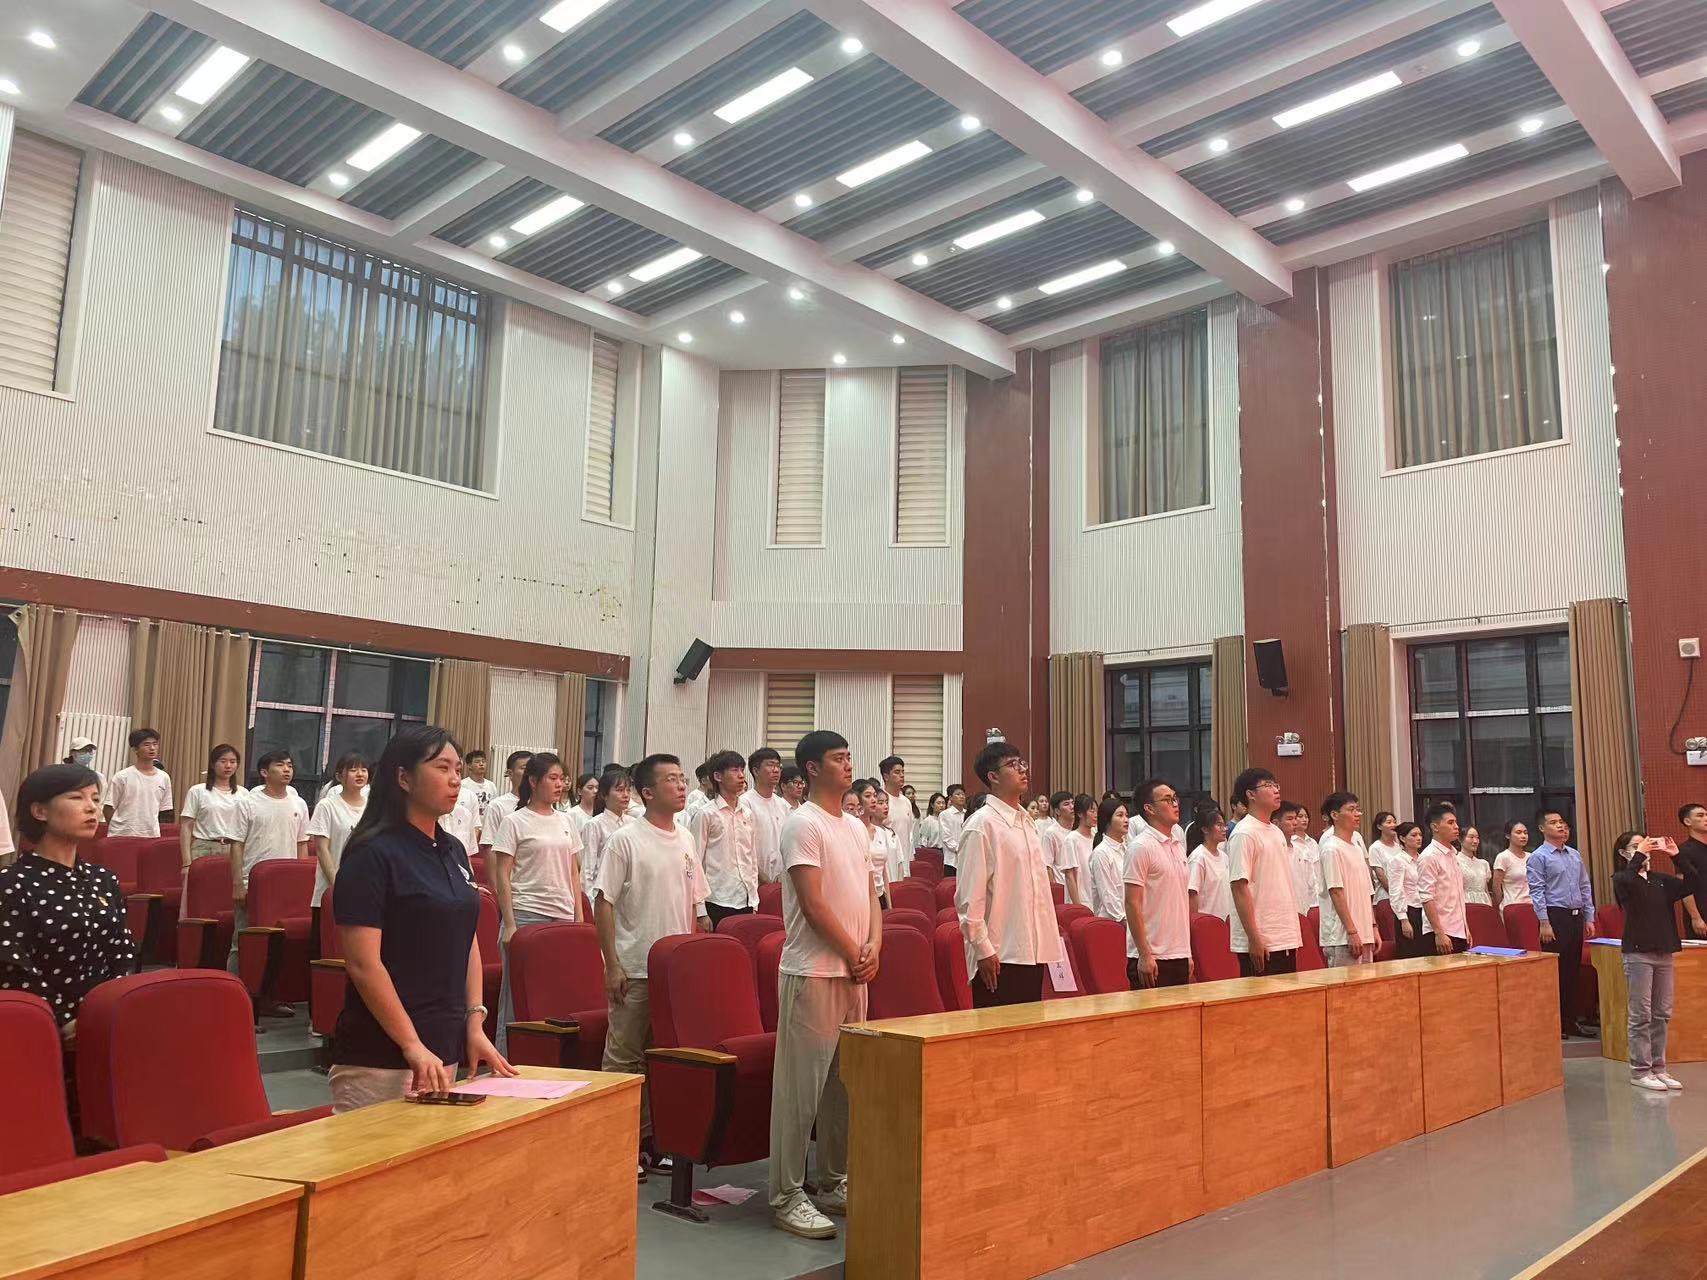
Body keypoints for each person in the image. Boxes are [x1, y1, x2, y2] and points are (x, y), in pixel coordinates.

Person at [329, 725, 513, 1112]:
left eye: (458, 769)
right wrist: (411, 1043)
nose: (455, 779)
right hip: (382, 1054)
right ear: (404, 778)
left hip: (442, 1044)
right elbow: (363, 964)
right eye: (442, 768)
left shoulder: (453, 850)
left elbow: (465, 939)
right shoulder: (371, 853)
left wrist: (474, 1022)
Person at [769, 730, 880, 1241]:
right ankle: (787, 1194)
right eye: (838, 758)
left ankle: (833, 1181)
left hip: (854, 972)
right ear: (812, 768)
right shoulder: (803, 823)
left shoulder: (855, 827)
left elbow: (873, 896)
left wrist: (873, 946)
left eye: (849, 756)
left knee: (844, 1088)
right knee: (800, 1092)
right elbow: (813, 905)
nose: (848, 765)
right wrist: (854, 952)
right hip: (813, 971)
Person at [594, 753, 711, 1177]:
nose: (681, 786)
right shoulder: (625, 839)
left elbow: (695, 902)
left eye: (682, 779)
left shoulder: (685, 837)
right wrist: (612, 964)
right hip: (635, 965)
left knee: (660, 1058)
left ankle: (647, 1142)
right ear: (647, 792)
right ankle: (615, 1145)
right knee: (623, 1059)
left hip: (672, 973)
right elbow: (603, 902)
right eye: (671, 780)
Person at [0, 764, 134, 1038]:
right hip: (39, 1027)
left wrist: (109, 1009)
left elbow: (122, 950)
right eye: (76, 797)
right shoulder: (12, 883)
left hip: (105, 1021)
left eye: (95, 799)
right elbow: (12, 964)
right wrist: (64, 1020)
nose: (92, 808)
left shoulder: (103, 879)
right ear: (40, 811)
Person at [490, 752, 583, 1054]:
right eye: (552, 778)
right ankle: (506, 1056)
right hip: (527, 914)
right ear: (533, 781)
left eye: (562, 779)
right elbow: (502, 875)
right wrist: (509, 924)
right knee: (516, 995)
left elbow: (573, 872)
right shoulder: (515, 821)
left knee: (556, 993)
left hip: (562, 917)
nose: (560, 785)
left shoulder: (566, 820)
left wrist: (579, 919)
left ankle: (548, 1058)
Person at [955, 742, 1061, 1007]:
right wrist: (983, 949)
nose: (1022, 769)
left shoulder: (1028, 823)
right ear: (993, 776)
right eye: (1012, 765)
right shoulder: (982, 825)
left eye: (1022, 763)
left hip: (1032, 949)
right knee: (998, 1031)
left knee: (1031, 1031)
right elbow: (969, 897)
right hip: (999, 954)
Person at [230, 750, 310, 1007]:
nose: (287, 770)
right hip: (252, 882)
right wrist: (237, 883)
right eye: (280, 765)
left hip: (286, 885)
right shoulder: (248, 803)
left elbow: (302, 844)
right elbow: (236, 845)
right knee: (244, 941)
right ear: (264, 772)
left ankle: (269, 999)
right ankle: (235, 999)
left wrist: (302, 880)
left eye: (290, 765)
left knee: (281, 943)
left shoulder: (299, 803)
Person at [1612, 832, 1690, 1092]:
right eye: (1635, 846)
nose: (1644, 850)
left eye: (1645, 845)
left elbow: (1693, 882)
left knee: (1662, 1013)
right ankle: (1640, 1070)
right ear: (1624, 853)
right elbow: (1629, 881)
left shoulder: (1659, 880)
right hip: (1638, 953)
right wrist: (1638, 855)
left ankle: (1659, 1068)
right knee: (1641, 1014)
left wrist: (1677, 857)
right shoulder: (1622, 879)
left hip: (1664, 951)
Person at [1528, 808, 1597, 1038]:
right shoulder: (1539, 856)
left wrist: (1589, 917)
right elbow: (1537, 891)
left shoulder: (1574, 854)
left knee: (1572, 971)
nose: (1560, 826)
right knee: (1556, 972)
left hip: (1576, 916)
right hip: (1554, 916)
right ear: (1542, 828)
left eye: (1562, 822)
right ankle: (1554, 1022)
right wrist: (1544, 922)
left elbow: (1584, 886)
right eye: (1553, 822)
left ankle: (1570, 1020)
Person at [1227, 768, 1300, 975]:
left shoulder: (1276, 832)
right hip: (1260, 938)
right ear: (1251, 794)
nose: (1276, 790)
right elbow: (1239, 887)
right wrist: (1254, 938)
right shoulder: (1244, 833)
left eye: (1276, 785)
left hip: (1283, 935)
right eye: (1268, 785)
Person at [1123, 779, 1191, 989]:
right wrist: (1144, 954)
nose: (1175, 804)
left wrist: (1187, 952)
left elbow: (1180, 901)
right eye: (1167, 800)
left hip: (1178, 953)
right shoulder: (1141, 847)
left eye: (1175, 798)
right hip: (1151, 956)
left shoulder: (1178, 846)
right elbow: (1131, 902)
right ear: (1149, 808)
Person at [691, 750, 757, 927]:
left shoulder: (747, 813)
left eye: (742, 769)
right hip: (716, 900)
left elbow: (751, 859)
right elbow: (695, 862)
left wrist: (754, 899)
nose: (741, 775)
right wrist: (700, 910)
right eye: (734, 770)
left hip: (745, 899)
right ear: (718, 776)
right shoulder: (706, 814)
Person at [309, 752, 369, 928]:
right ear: (339, 776)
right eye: (353, 770)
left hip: (365, 892)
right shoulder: (327, 806)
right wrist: (338, 885)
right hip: (331, 891)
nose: (360, 774)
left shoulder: (372, 807)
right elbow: (322, 849)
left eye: (363, 770)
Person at [1318, 792, 1377, 967]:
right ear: (1334, 815)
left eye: (1358, 809)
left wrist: (1373, 927)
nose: (1357, 814)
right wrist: (1351, 932)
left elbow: (1366, 892)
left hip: (1364, 932)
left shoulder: (1356, 847)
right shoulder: (1331, 848)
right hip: (1343, 936)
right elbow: (1336, 892)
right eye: (1351, 810)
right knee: (1344, 984)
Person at [180, 744, 246, 878]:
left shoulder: (244, 793)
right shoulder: (197, 791)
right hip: (204, 848)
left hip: (234, 849)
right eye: (223, 761)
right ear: (212, 764)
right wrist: (186, 863)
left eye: (233, 762)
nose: (228, 766)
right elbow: (186, 827)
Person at [1417, 803, 1469, 954]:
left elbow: (1457, 896)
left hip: (1459, 930)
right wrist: (1439, 932)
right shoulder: (1429, 856)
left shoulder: (1453, 854)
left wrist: (1466, 928)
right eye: (1450, 823)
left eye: (1456, 822)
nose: (1456, 827)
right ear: (1435, 827)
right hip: (1440, 932)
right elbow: (1427, 897)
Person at [577, 765, 634, 904]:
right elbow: (588, 869)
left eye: (628, 790)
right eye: (619, 790)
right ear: (604, 795)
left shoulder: (633, 823)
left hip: (628, 895)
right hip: (602, 894)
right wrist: (590, 903)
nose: (626, 795)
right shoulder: (595, 825)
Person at [105, 727, 172, 837]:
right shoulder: (122, 776)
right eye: (146, 745)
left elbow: (165, 809)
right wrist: (116, 828)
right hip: (122, 835)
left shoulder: (164, 777)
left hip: (151, 835)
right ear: (135, 749)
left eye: (155, 744)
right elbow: (108, 807)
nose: (152, 748)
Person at [742, 748, 791, 886]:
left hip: (781, 881)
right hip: (754, 881)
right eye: (770, 765)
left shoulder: (783, 805)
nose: (776, 770)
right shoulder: (745, 803)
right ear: (756, 771)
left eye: (778, 766)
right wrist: (762, 878)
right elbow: (743, 848)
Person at [856, 780, 902, 909]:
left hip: (880, 894)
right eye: (868, 796)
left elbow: (884, 872)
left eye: (875, 796)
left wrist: (889, 904)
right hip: (861, 897)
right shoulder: (853, 830)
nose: (873, 800)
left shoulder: (881, 832)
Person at [478, 751, 534, 856]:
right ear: (510, 773)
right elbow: (489, 847)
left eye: (532, 768)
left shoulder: (541, 804)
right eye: (524, 768)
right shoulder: (497, 806)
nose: (530, 773)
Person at [1087, 796, 1129, 922]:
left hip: (1130, 918)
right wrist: (1123, 919)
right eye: (1120, 815)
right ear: (1107, 820)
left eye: (1127, 815)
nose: (1126, 820)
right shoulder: (1101, 853)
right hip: (1110, 921)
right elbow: (1107, 893)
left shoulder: (1127, 849)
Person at [1186, 808, 1232, 921]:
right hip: (1207, 923)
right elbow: (1192, 894)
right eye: (1219, 825)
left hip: (1225, 920)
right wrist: (1195, 923)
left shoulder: (1224, 857)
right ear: (1205, 829)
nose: (1224, 829)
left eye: (1224, 825)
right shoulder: (1199, 857)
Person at [1670, 803, 1707, 939]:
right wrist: (1696, 917)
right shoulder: (1684, 851)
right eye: (1700, 815)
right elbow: (1684, 886)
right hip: (1702, 914)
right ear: (1687, 821)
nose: (1706, 818)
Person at [1044, 791, 1084, 907]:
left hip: (1082, 887)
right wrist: (1055, 893)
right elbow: (1048, 866)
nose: (1072, 807)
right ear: (1057, 811)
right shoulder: (1051, 833)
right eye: (1066, 804)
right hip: (1063, 887)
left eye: (1073, 803)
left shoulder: (1080, 830)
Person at [1391, 822, 1425, 958]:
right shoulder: (1398, 861)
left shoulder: (1424, 859)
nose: (1419, 838)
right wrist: (1403, 919)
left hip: (1425, 910)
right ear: (1402, 838)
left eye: (1420, 835)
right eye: (1414, 835)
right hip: (1409, 911)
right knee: (1410, 955)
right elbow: (1396, 891)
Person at [1282, 802, 1321, 920]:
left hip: (1318, 899)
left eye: (1306, 817)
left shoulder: (1313, 843)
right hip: (1302, 901)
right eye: (1300, 816)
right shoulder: (1290, 843)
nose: (1304, 820)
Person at [1492, 819, 1533, 911]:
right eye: (1518, 832)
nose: (1523, 836)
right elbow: (1496, 887)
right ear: (1508, 835)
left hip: (1532, 906)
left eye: (1525, 833)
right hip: (1512, 907)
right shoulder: (1503, 857)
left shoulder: (1531, 857)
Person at [880, 756, 914, 864]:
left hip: (905, 860)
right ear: (886, 776)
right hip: (887, 861)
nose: (902, 775)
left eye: (903, 772)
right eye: (897, 772)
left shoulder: (906, 802)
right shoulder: (880, 801)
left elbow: (909, 832)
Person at [1368, 810, 1401, 903]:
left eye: (1394, 822)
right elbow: (1380, 875)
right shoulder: (1375, 848)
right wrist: (1395, 895)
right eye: (1389, 822)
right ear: (1379, 826)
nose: (1393, 825)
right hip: (1385, 898)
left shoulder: (1399, 847)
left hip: (1402, 897)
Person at [62, 736, 107, 803]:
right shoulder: (62, 774)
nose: (87, 754)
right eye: (83, 750)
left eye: (90, 751)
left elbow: (100, 801)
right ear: (72, 753)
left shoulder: (98, 777)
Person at [1458, 825, 1492, 906]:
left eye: (1477, 838)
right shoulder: (1455, 862)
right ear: (1460, 839)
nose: (1475, 841)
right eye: (1471, 837)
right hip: (1465, 904)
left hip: (1484, 904)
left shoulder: (1483, 864)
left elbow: (1485, 890)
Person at [940, 784, 966, 874]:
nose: (961, 796)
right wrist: (961, 849)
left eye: (963, 794)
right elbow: (946, 838)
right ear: (950, 798)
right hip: (951, 861)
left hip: (966, 859)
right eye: (958, 794)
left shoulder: (967, 814)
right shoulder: (945, 815)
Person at [566, 772, 599, 838]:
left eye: (597, 787)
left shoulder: (601, 812)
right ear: (579, 791)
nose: (595, 791)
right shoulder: (572, 814)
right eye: (590, 788)